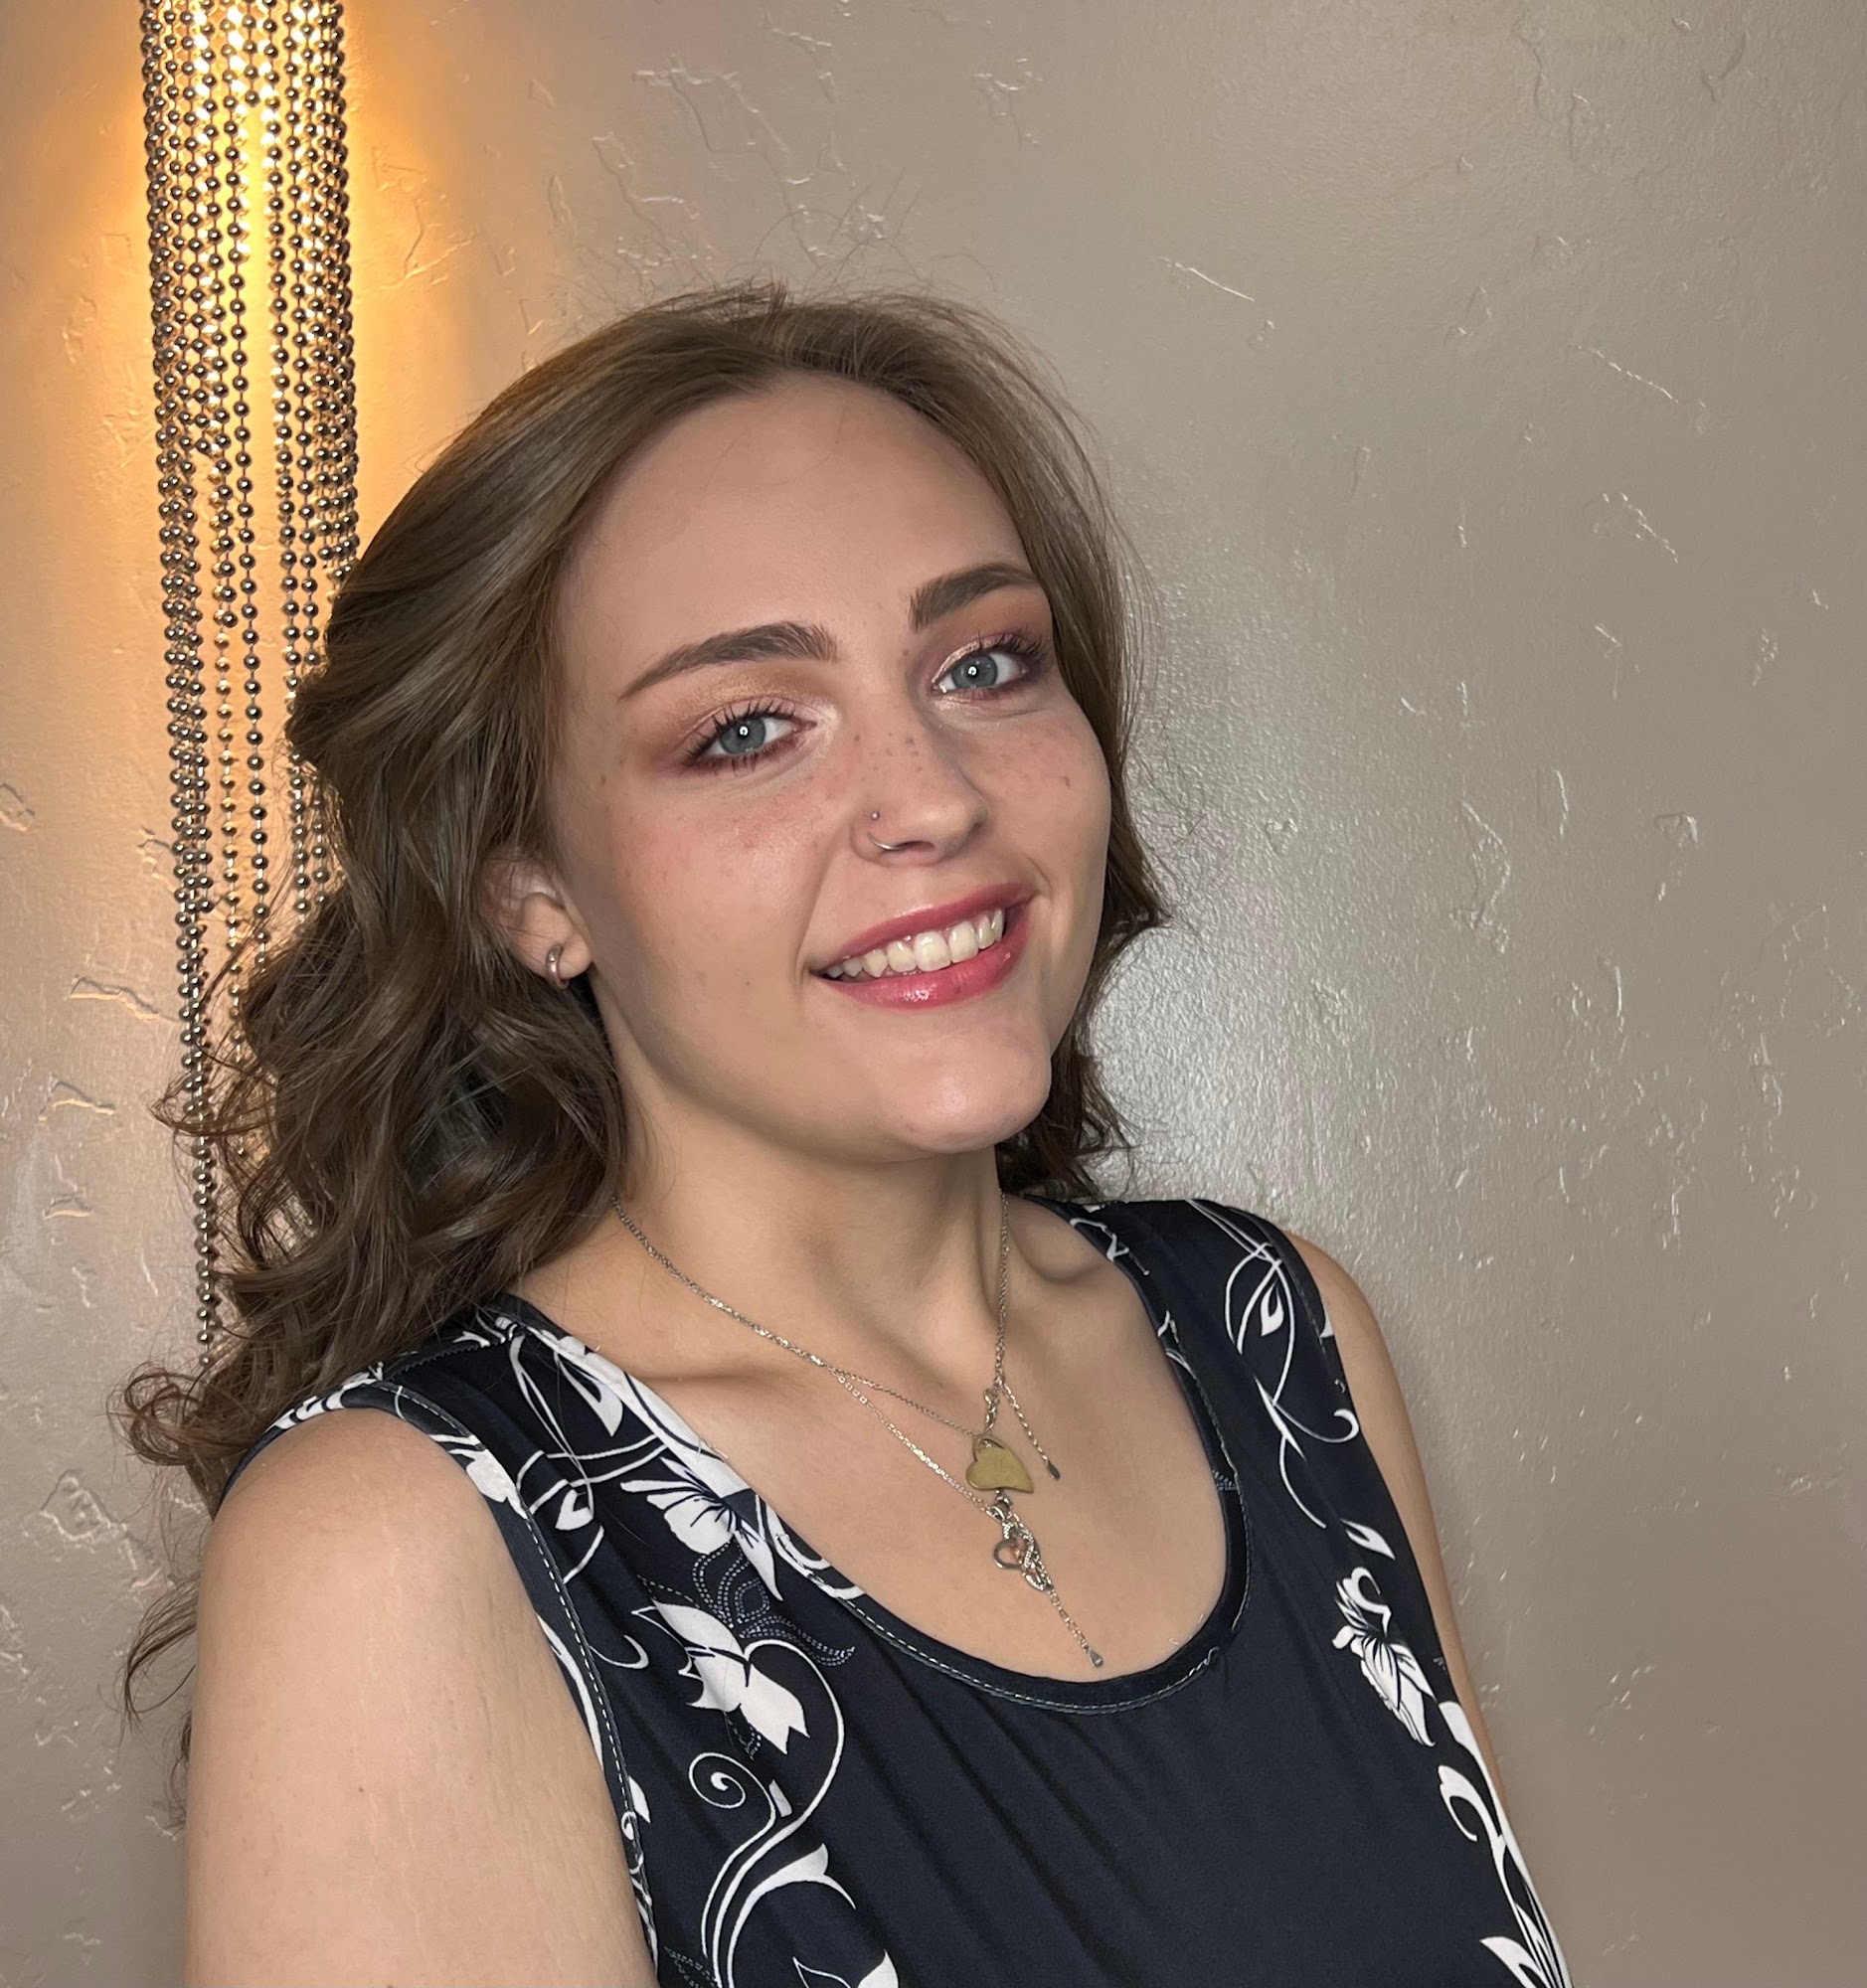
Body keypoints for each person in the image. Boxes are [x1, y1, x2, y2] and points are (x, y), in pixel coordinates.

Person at [122, 278, 1571, 1987]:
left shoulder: (1277, 1335)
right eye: (744, 730)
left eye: (985, 664)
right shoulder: (401, 1544)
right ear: (528, 887)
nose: (935, 796)